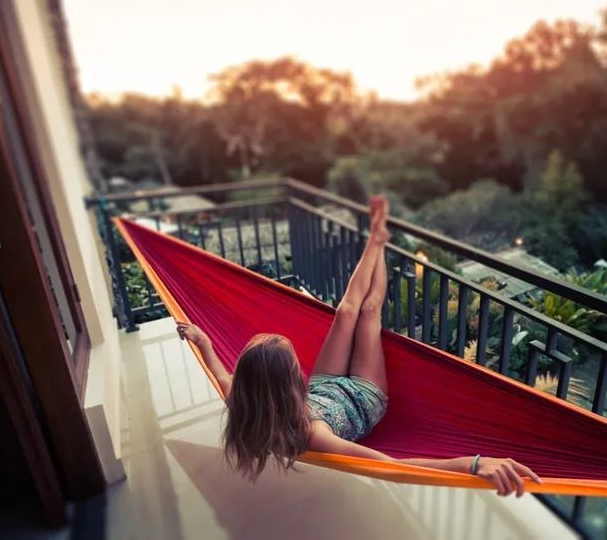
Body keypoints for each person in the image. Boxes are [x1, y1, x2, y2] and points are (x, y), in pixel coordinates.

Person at [176, 196, 541, 497]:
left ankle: (376, 240)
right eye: (292, 363)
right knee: (368, 313)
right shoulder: (312, 434)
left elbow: (220, 373)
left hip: (324, 388)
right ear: (287, 383)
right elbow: (391, 467)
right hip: (363, 398)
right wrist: (475, 464)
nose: (298, 365)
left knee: (345, 310)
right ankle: (378, 241)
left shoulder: (244, 401)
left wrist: (205, 341)